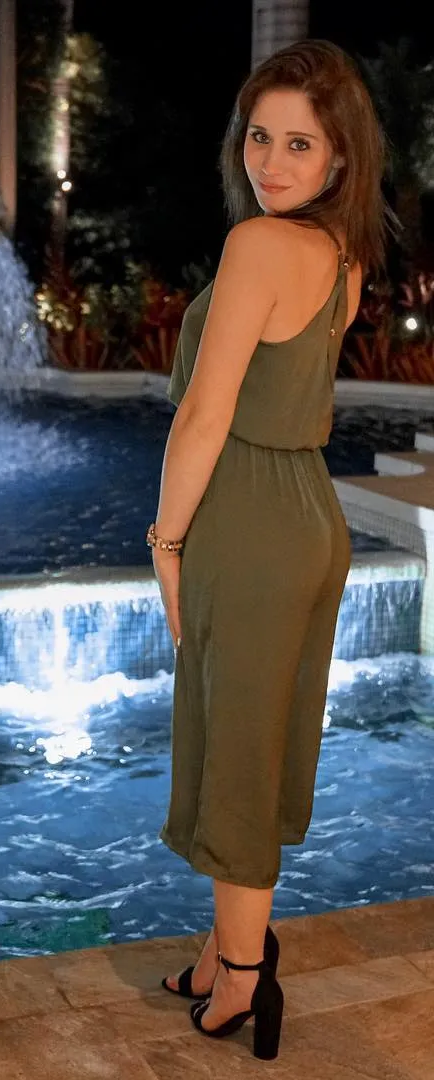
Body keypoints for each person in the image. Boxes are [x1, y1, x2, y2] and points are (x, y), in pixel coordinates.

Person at [149, 39, 391, 1060]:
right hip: (308, 515)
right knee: (251, 735)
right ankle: (222, 947)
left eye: (300, 143)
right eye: (260, 137)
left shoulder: (258, 246)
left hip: (248, 520)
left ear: (340, 158)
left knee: (237, 750)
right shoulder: (343, 256)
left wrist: (166, 539)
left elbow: (206, 415)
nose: (272, 162)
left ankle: (245, 975)